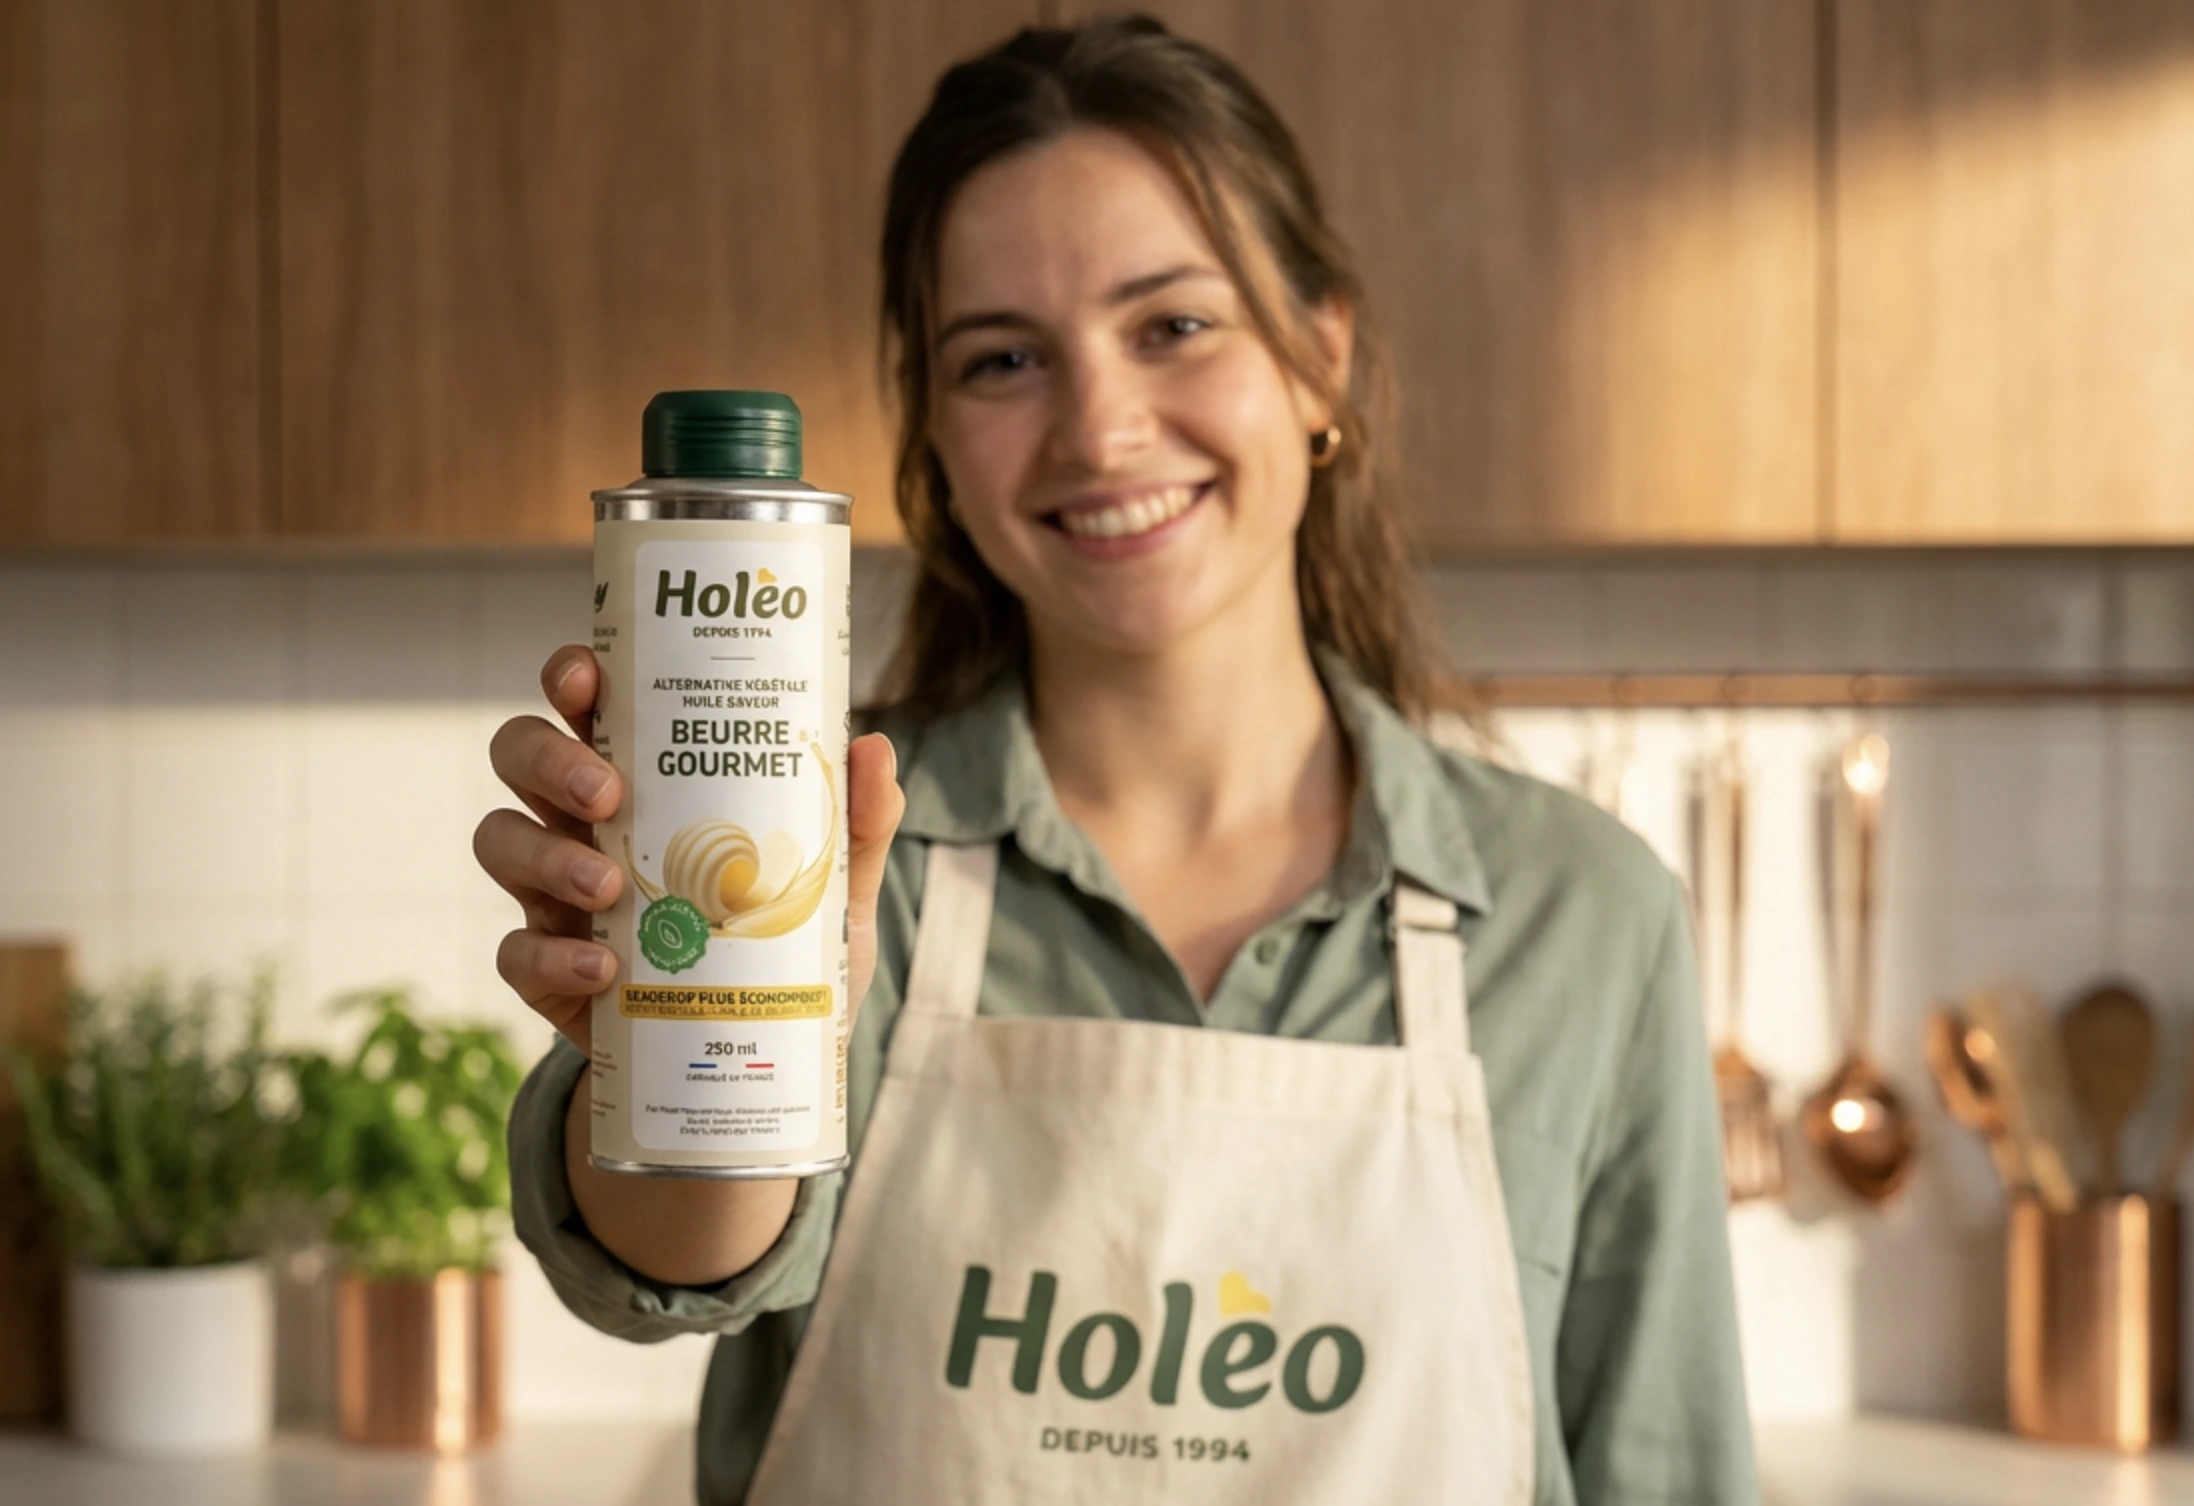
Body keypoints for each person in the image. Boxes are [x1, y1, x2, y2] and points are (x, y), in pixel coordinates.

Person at [476, 16, 1756, 1505]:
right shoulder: (830, 853)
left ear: (1320, 356)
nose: (1100, 427)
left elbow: (1668, 1472)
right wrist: (664, 1031)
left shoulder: (1581, 915)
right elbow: (669, 1264)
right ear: (936, 436)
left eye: (1173, 326)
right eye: (1005, 358)